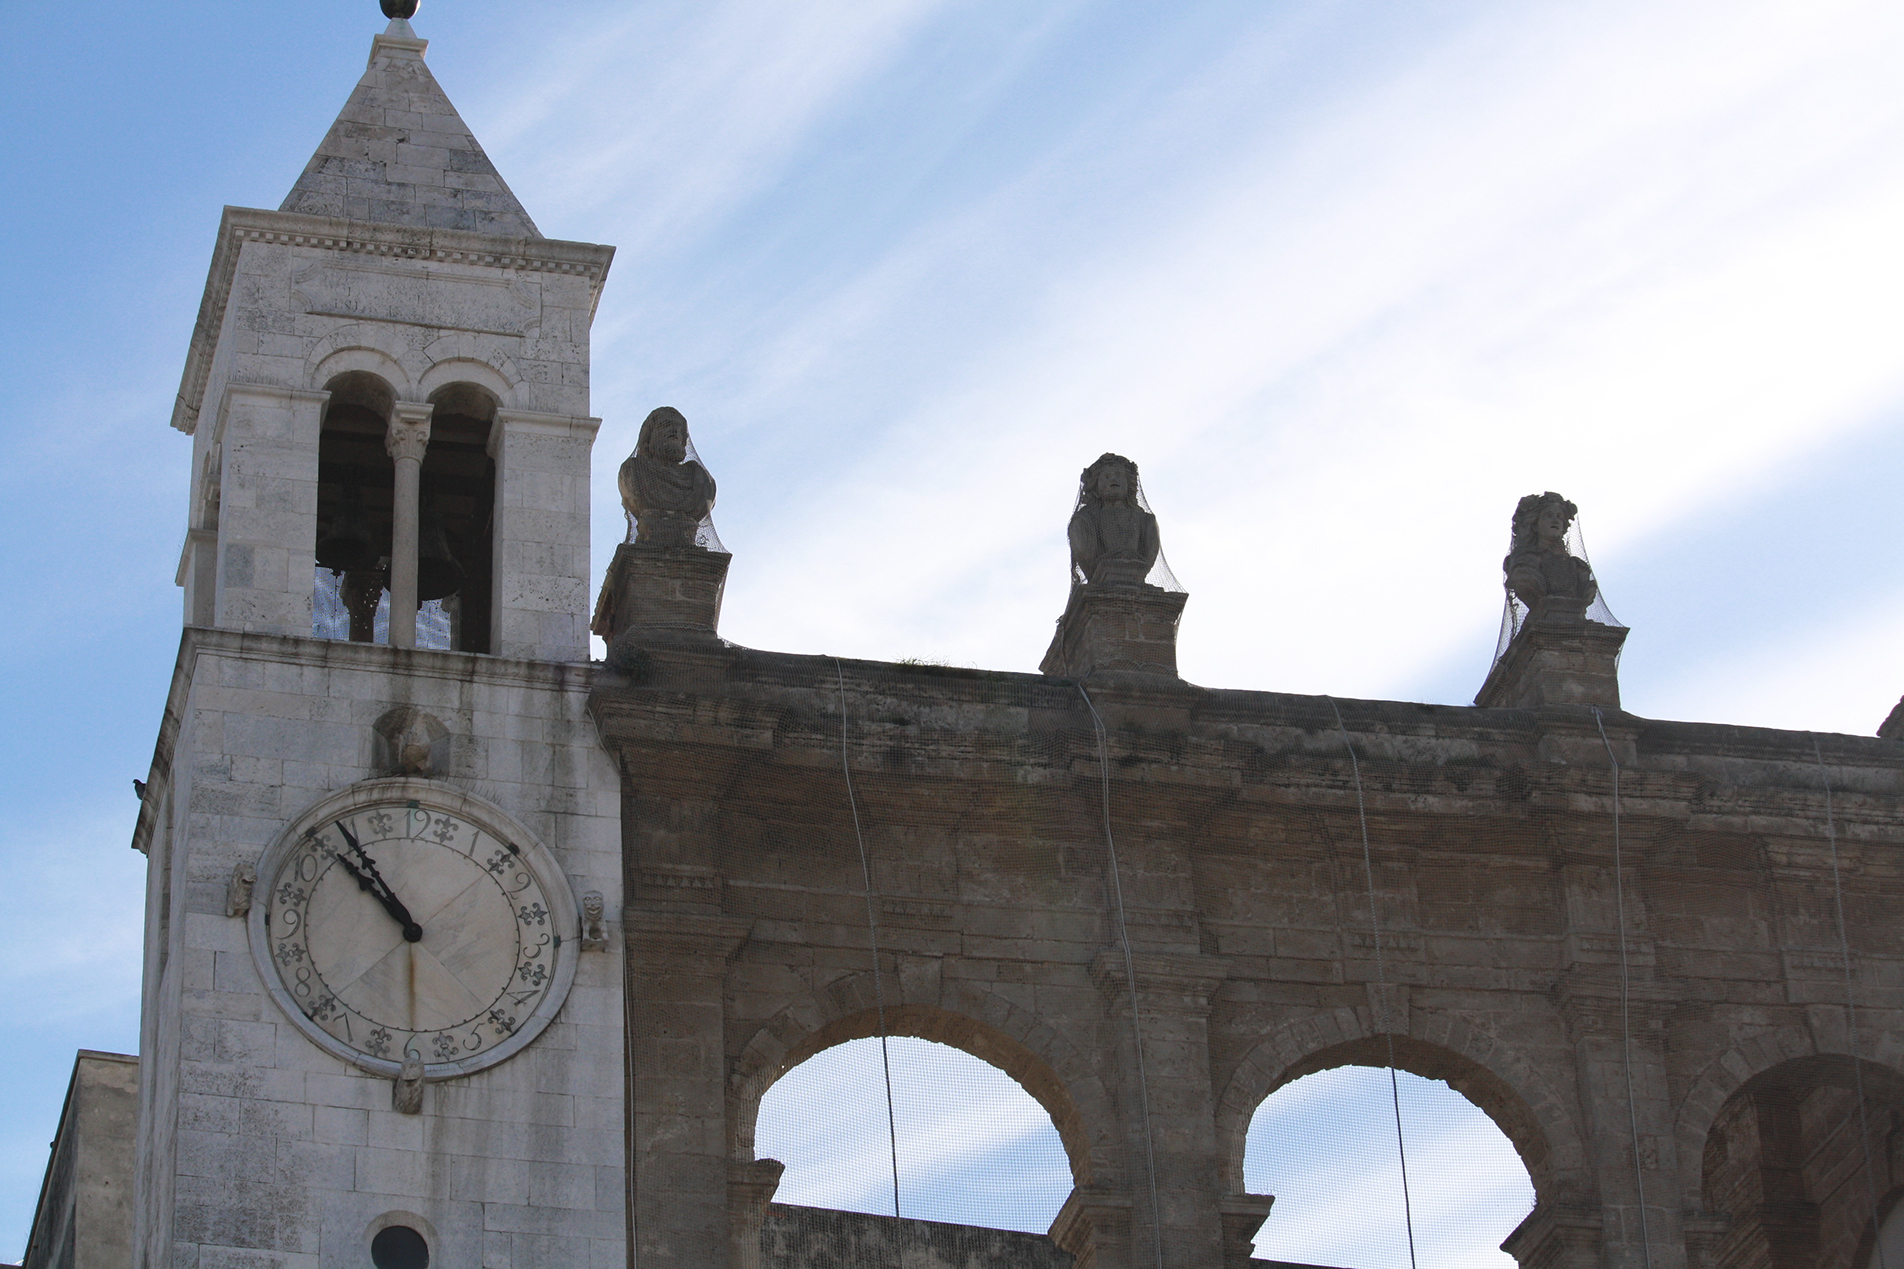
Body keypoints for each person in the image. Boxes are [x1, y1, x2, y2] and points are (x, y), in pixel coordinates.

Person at [619, 406, 716, 548]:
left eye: (680, 430)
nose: (675, 432)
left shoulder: (702, 481)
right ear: (648, 438)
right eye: (666, 425)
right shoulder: (633, 472)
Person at [1067, 453, 1159, 587]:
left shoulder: (1145, 521)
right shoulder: (1084, 522)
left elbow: (1150, 552)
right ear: (1096, 486)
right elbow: (1086, 555)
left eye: (1119, 475)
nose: (1113, 479)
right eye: (1106, 476)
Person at [1504, 491, 1596, 614]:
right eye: (1549, 515)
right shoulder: (1525, 563)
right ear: (1535, 524)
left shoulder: (1577, 566)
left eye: (1559, 517)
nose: (1555, 520)